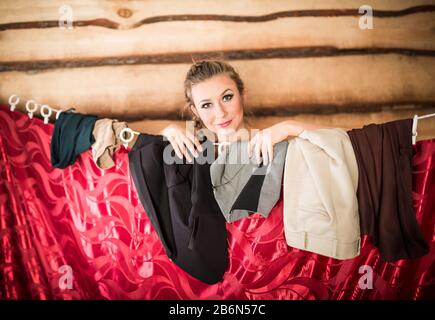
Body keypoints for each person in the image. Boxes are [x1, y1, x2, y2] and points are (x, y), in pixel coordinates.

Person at [130, 60, 332, 163]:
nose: (220, 113)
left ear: (242, 96)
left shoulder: (271, 141)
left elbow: (344, 142)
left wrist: (291, 127)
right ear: (195, 111)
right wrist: (163, 137)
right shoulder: (191, 153)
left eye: (227, 97)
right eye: (206, 105)